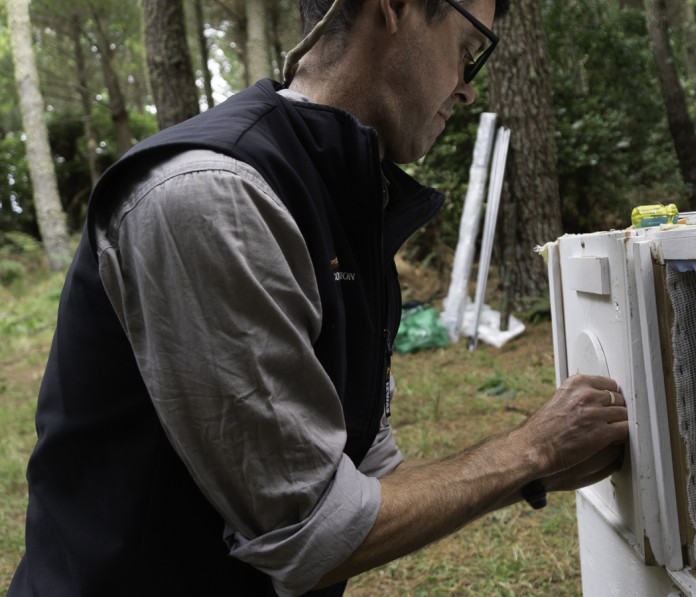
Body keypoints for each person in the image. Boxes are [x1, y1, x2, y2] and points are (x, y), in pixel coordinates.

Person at [9, 0, 629, 595]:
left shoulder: (343, 200)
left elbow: (368, 475)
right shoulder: (211, 196)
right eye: (469, 51)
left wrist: (537, 467)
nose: (468, 88)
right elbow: (311, 532)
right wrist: (530, 449)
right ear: (396, 6)